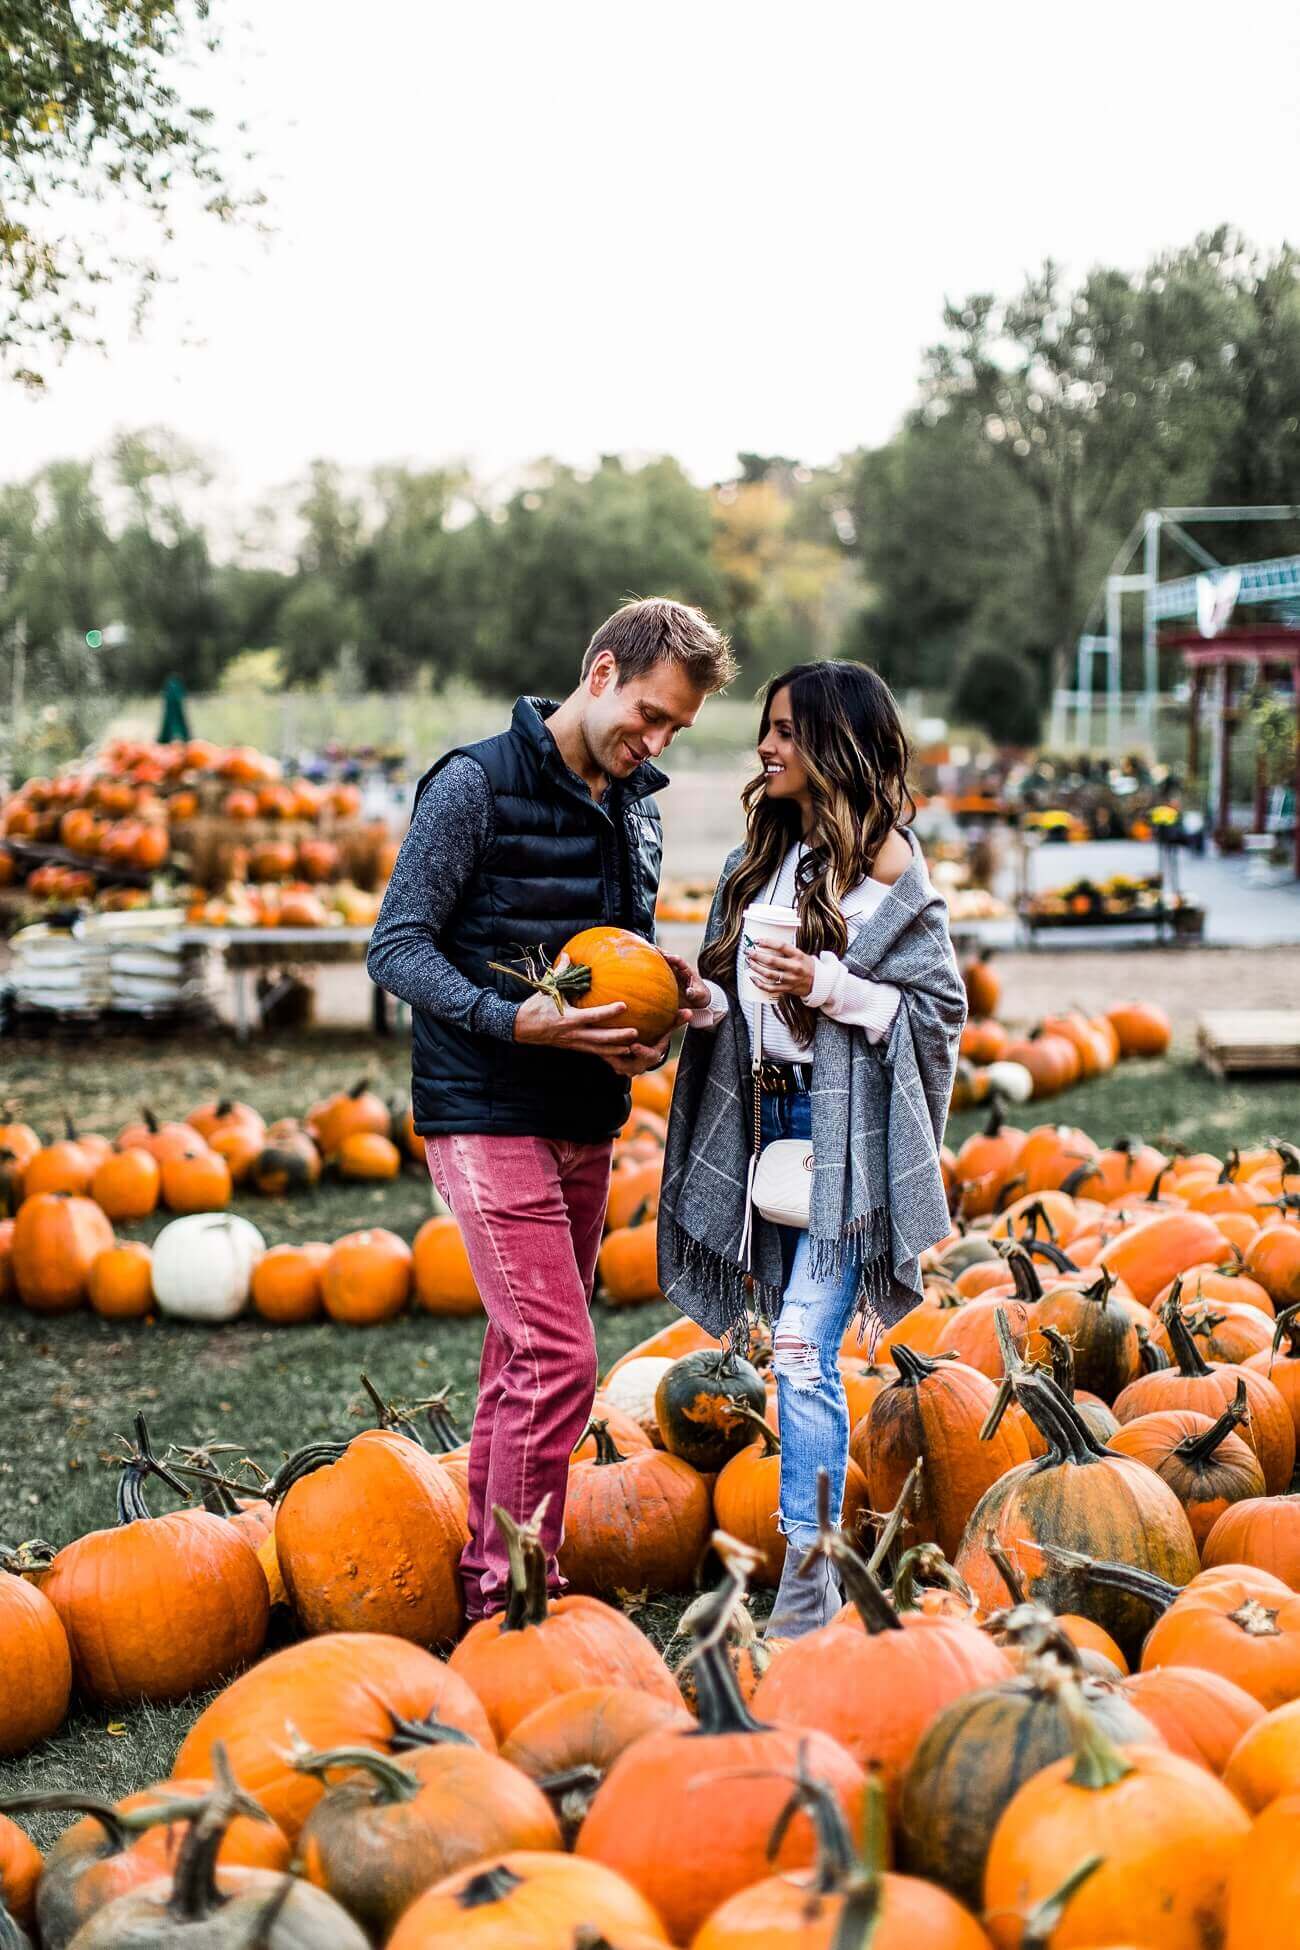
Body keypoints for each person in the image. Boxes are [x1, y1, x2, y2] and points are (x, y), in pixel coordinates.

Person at [367, 598, 735, 1621]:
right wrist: (510, 1019)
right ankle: (517, 1599)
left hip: (584, 1108)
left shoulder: (636, 804)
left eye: (676, 731)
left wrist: (669, 997)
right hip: (485, 1106)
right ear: (603, 669)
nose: (654, 743)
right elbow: (396, 946)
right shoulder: (474, 785)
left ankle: (490, 1575)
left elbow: (610, 956)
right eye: (649, 715)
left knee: (519, 1356)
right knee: (560, 1357)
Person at [658, 660, 965, 1638]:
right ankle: (816, 1567)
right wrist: (700, 998)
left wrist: (827, 986)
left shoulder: (894, 878)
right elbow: (742, 1007)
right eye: (767, 729)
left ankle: (808, 1581)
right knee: (797, 1355)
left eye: (786, 730)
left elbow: (934, 1015)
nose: (766, 747)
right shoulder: (772, 859)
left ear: (834, 742)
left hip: (849, 1147)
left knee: (798, 1351)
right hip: (767, 1131)